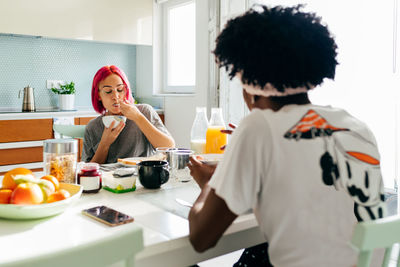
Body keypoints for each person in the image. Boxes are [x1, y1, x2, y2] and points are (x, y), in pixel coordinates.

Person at [187, 5, 386, 267]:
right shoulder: (355, 126)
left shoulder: (257, 127)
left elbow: (201, 238)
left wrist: (210, 183)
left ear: (247, 80)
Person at [82, 65, 175, 164]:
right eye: (108, 91)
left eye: (120, 89)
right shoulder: (92, 127)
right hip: (109, 179)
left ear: (126, 90)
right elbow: (88, 170)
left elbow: (169, 148)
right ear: (98, 95)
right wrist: (104, 143)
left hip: (143, 176)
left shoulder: (144, 111)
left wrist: (138, 117)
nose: (116, 96)